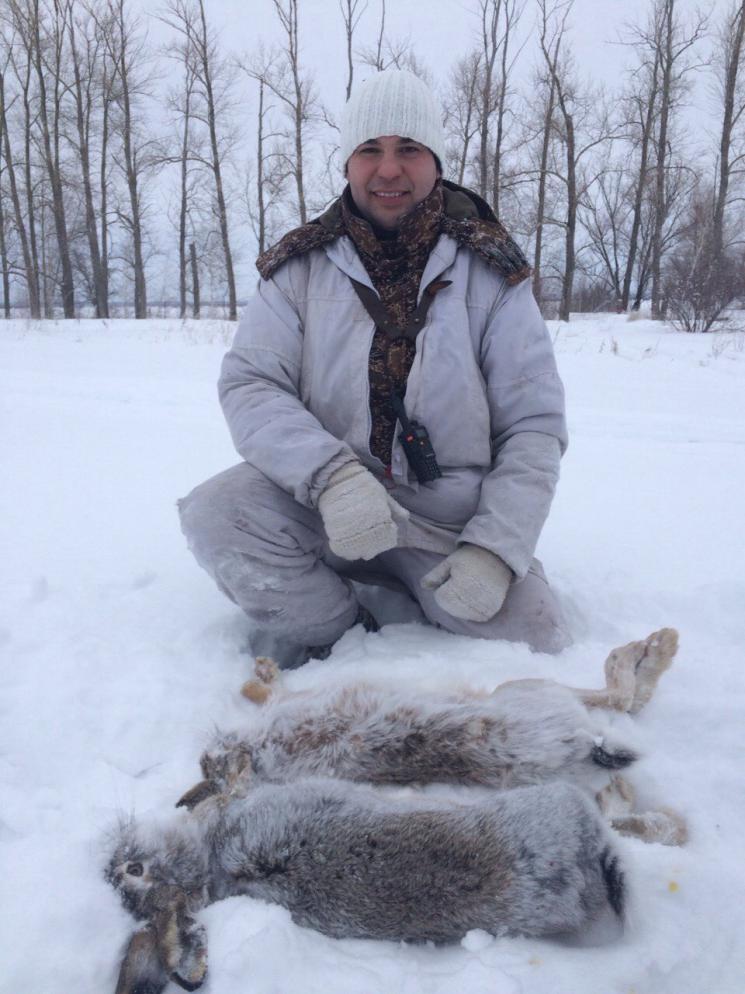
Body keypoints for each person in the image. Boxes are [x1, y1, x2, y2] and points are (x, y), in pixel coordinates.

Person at [179, 69, 571, 665]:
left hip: (448, 523)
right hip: (327, 503)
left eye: (408, 148)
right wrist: (332, 477)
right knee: (218, 515)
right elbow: (252, 384)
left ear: (435, 161)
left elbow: (534, 426)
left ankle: (441, 581)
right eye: (370, 150)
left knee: (536, 636)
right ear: (348, 163)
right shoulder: (298, 267)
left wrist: (495, 549)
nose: (389, 169)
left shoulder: (494, 272)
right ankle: (340, 633)